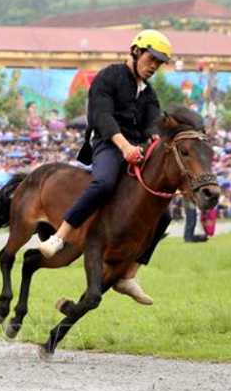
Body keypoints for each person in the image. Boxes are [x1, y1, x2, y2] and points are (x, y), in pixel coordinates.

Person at [37, 29, 174, 305]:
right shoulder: (107, 77)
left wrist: (156, 139)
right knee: (104, 183)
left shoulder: (149, 93)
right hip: (108, 145)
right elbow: (102, 117)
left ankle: (129, 275)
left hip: (137, 150)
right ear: (136, 51)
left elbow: (152, 124)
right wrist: (124, 147)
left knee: (164, 215)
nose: (154, 67)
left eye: (159, 63)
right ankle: (60, 237)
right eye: (151, 59)